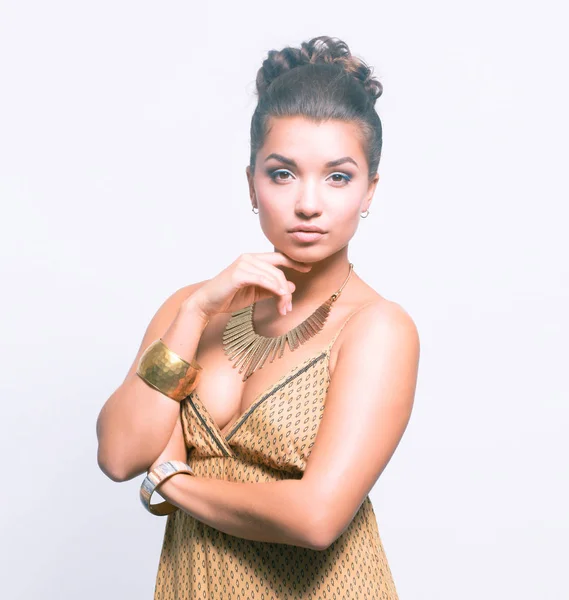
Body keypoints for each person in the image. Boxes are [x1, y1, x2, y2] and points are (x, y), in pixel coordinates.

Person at [96, 35, 420, 599]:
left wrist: (172, 480)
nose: (309, 204)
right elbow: (120, 455)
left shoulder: (378, 329)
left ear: (370, 190)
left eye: (338, 177)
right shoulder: (189, 308)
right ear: (252, 183)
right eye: (283, 173)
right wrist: (196, 312)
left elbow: (315, 519)